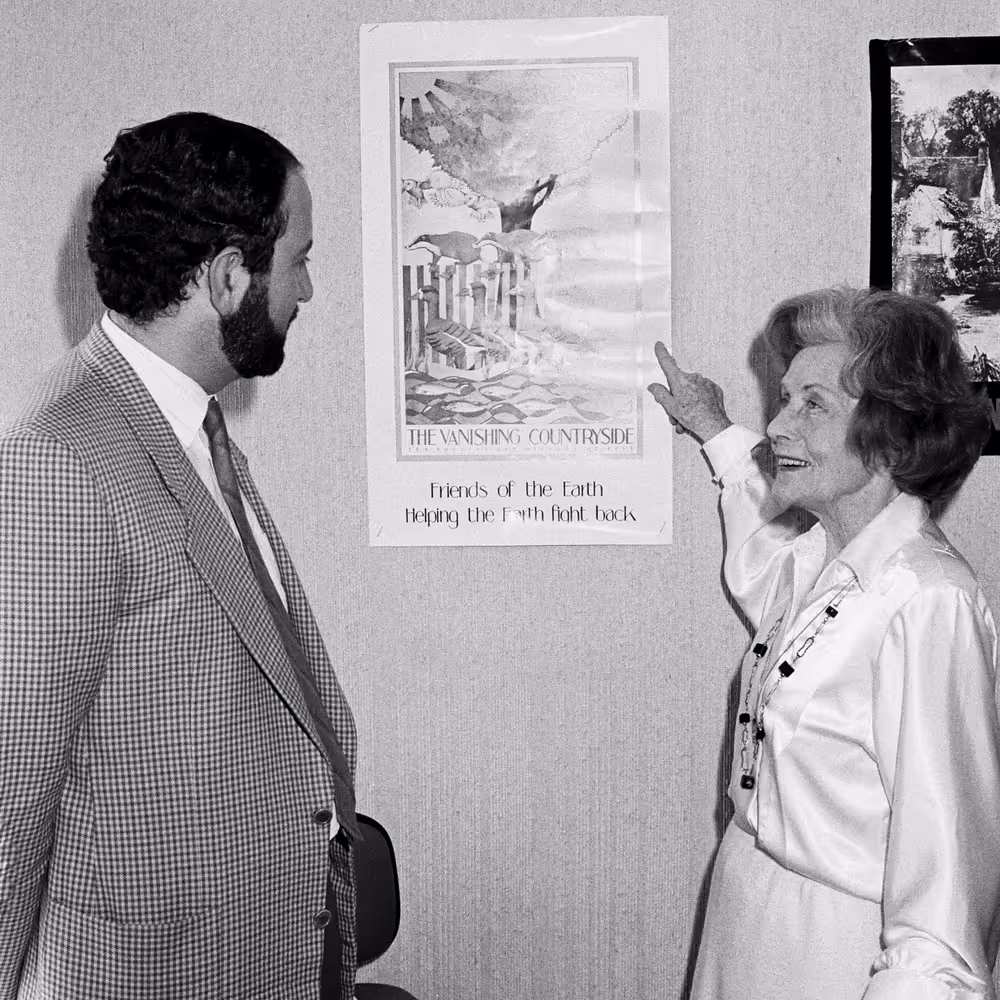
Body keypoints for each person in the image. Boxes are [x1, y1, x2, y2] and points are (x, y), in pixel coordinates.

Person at [0, 113, 360, 1000]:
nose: (307, 290)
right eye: (299, 258)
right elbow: (8, 795)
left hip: (253, 952)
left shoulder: (190, 426)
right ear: (229, 277)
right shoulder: (63, 458)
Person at [648, 287, 1000, 999]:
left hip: (839, 949)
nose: (776, 424)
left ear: (893, 433)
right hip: (747, 909)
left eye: (812, 404)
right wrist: (714, 428)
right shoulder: (818, 559)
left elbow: (947, 891)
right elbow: (759, 558)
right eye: (783, 398)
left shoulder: (927, 601)